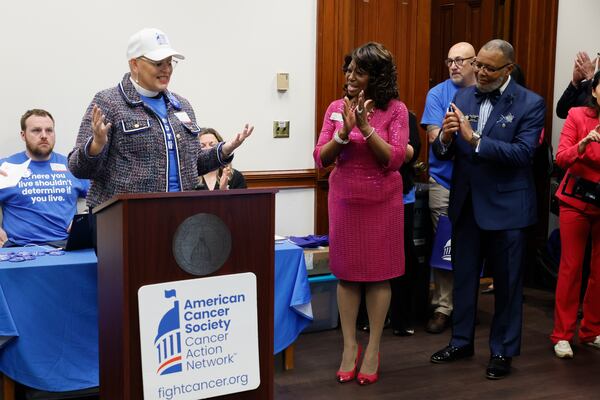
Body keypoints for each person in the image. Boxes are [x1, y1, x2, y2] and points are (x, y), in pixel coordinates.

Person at [430, 39, 545, 380]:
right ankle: (461, 341)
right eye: (477, 64)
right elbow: (443, 151)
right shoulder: (461, 96)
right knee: (464, 279)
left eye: (488, 68)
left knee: (508, 286)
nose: (479, 72)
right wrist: (447, 140)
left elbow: (522, 154)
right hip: (466, 206)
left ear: (508, 69)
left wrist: (475, 140)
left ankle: (502, 351)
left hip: (508, 208)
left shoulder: (531, 103)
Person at [68, 28, 252, 208]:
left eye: (169, 63)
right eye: (158, 63)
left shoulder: (182, 105)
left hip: (179, 213)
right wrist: (97, 145)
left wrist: (224, 150)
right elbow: (78, 168)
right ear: (134, 64)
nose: (166, 70)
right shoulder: (108, 102)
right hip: (125, 218)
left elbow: (194, 164)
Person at [313, 42, 409, 386]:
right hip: (345, 199)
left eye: (359, 71)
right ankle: (349, 346)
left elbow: (395, 158)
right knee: (347, 274)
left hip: (382, 200)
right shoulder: (336, 107)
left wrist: (366, 127)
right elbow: (320, 158)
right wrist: (342, 133)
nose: (350, 77)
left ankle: (374, 348)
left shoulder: (396, 110)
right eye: (349, 70)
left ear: (377, 77)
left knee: (378, 275)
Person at [421, 42, 477, 333]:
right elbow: (433, 137)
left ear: (475, 63)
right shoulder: (438, 94)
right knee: (445, 245)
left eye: (460, 60)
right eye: (450, 60)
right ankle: (443, 306)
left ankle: (466, 303)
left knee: (474, 246)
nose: (454, 65)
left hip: (480, 185)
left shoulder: (484, 93)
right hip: (444, 182)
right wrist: (449, 130)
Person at [550, 70, 600, 359]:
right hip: (575, 200)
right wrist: (582, 145)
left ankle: (591, 330)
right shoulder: (578, 115)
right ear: (594, 90)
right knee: (571, 267)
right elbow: (561, 157)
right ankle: (563, 334)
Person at [0, 109, 89, 247]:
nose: (44, 135)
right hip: (18, 248)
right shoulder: (6, 167)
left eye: (49, 130)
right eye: (36, 130)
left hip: (66, 245)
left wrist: (84, 218)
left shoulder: (73, 165)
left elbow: (102, 198)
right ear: (23, 135)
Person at [389, 111, 422, 336]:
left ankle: (403, 316)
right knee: (372, 255)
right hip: (368, 195)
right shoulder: (351, 112)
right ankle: (369, 316)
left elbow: (410, 154)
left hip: (401, 193)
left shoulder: (403, 114)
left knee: (403, 254)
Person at [556, 51, 597, 119]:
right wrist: (575, 83)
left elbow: (594, 114)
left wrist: (590, 78)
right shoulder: (585, 85)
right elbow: (561, 113)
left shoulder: (591, 83)